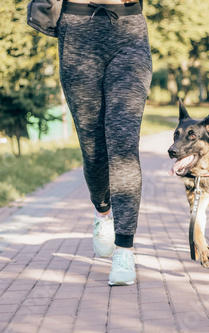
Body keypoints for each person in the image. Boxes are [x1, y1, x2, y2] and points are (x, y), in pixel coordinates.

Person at [56, 0, 152, 286]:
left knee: (123, 144)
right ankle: (102, 210)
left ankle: (125, 249)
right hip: (77, 33)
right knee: (93, 150)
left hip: (129, 32)